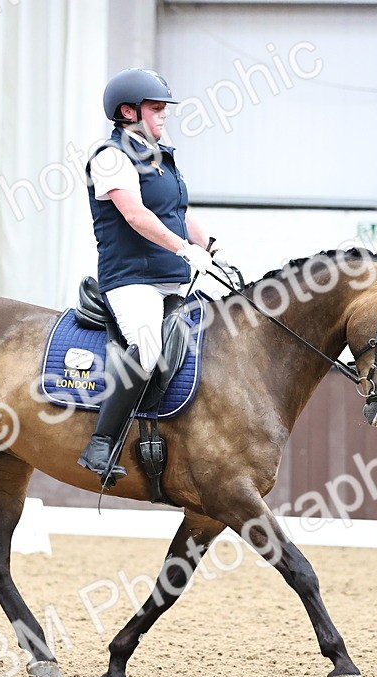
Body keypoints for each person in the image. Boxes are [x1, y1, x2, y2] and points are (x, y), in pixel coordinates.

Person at [77, 68, 239, 485]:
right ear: (127, 112)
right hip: (132, 281)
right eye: (155, 107)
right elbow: (136, 215)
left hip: (172, 279)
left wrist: (210, 245)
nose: (163, 114)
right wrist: (185, 249)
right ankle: (100, 443)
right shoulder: (111, 157)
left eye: (164, 107)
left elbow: (179, 214)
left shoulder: (160, 156)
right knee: (147, 347)